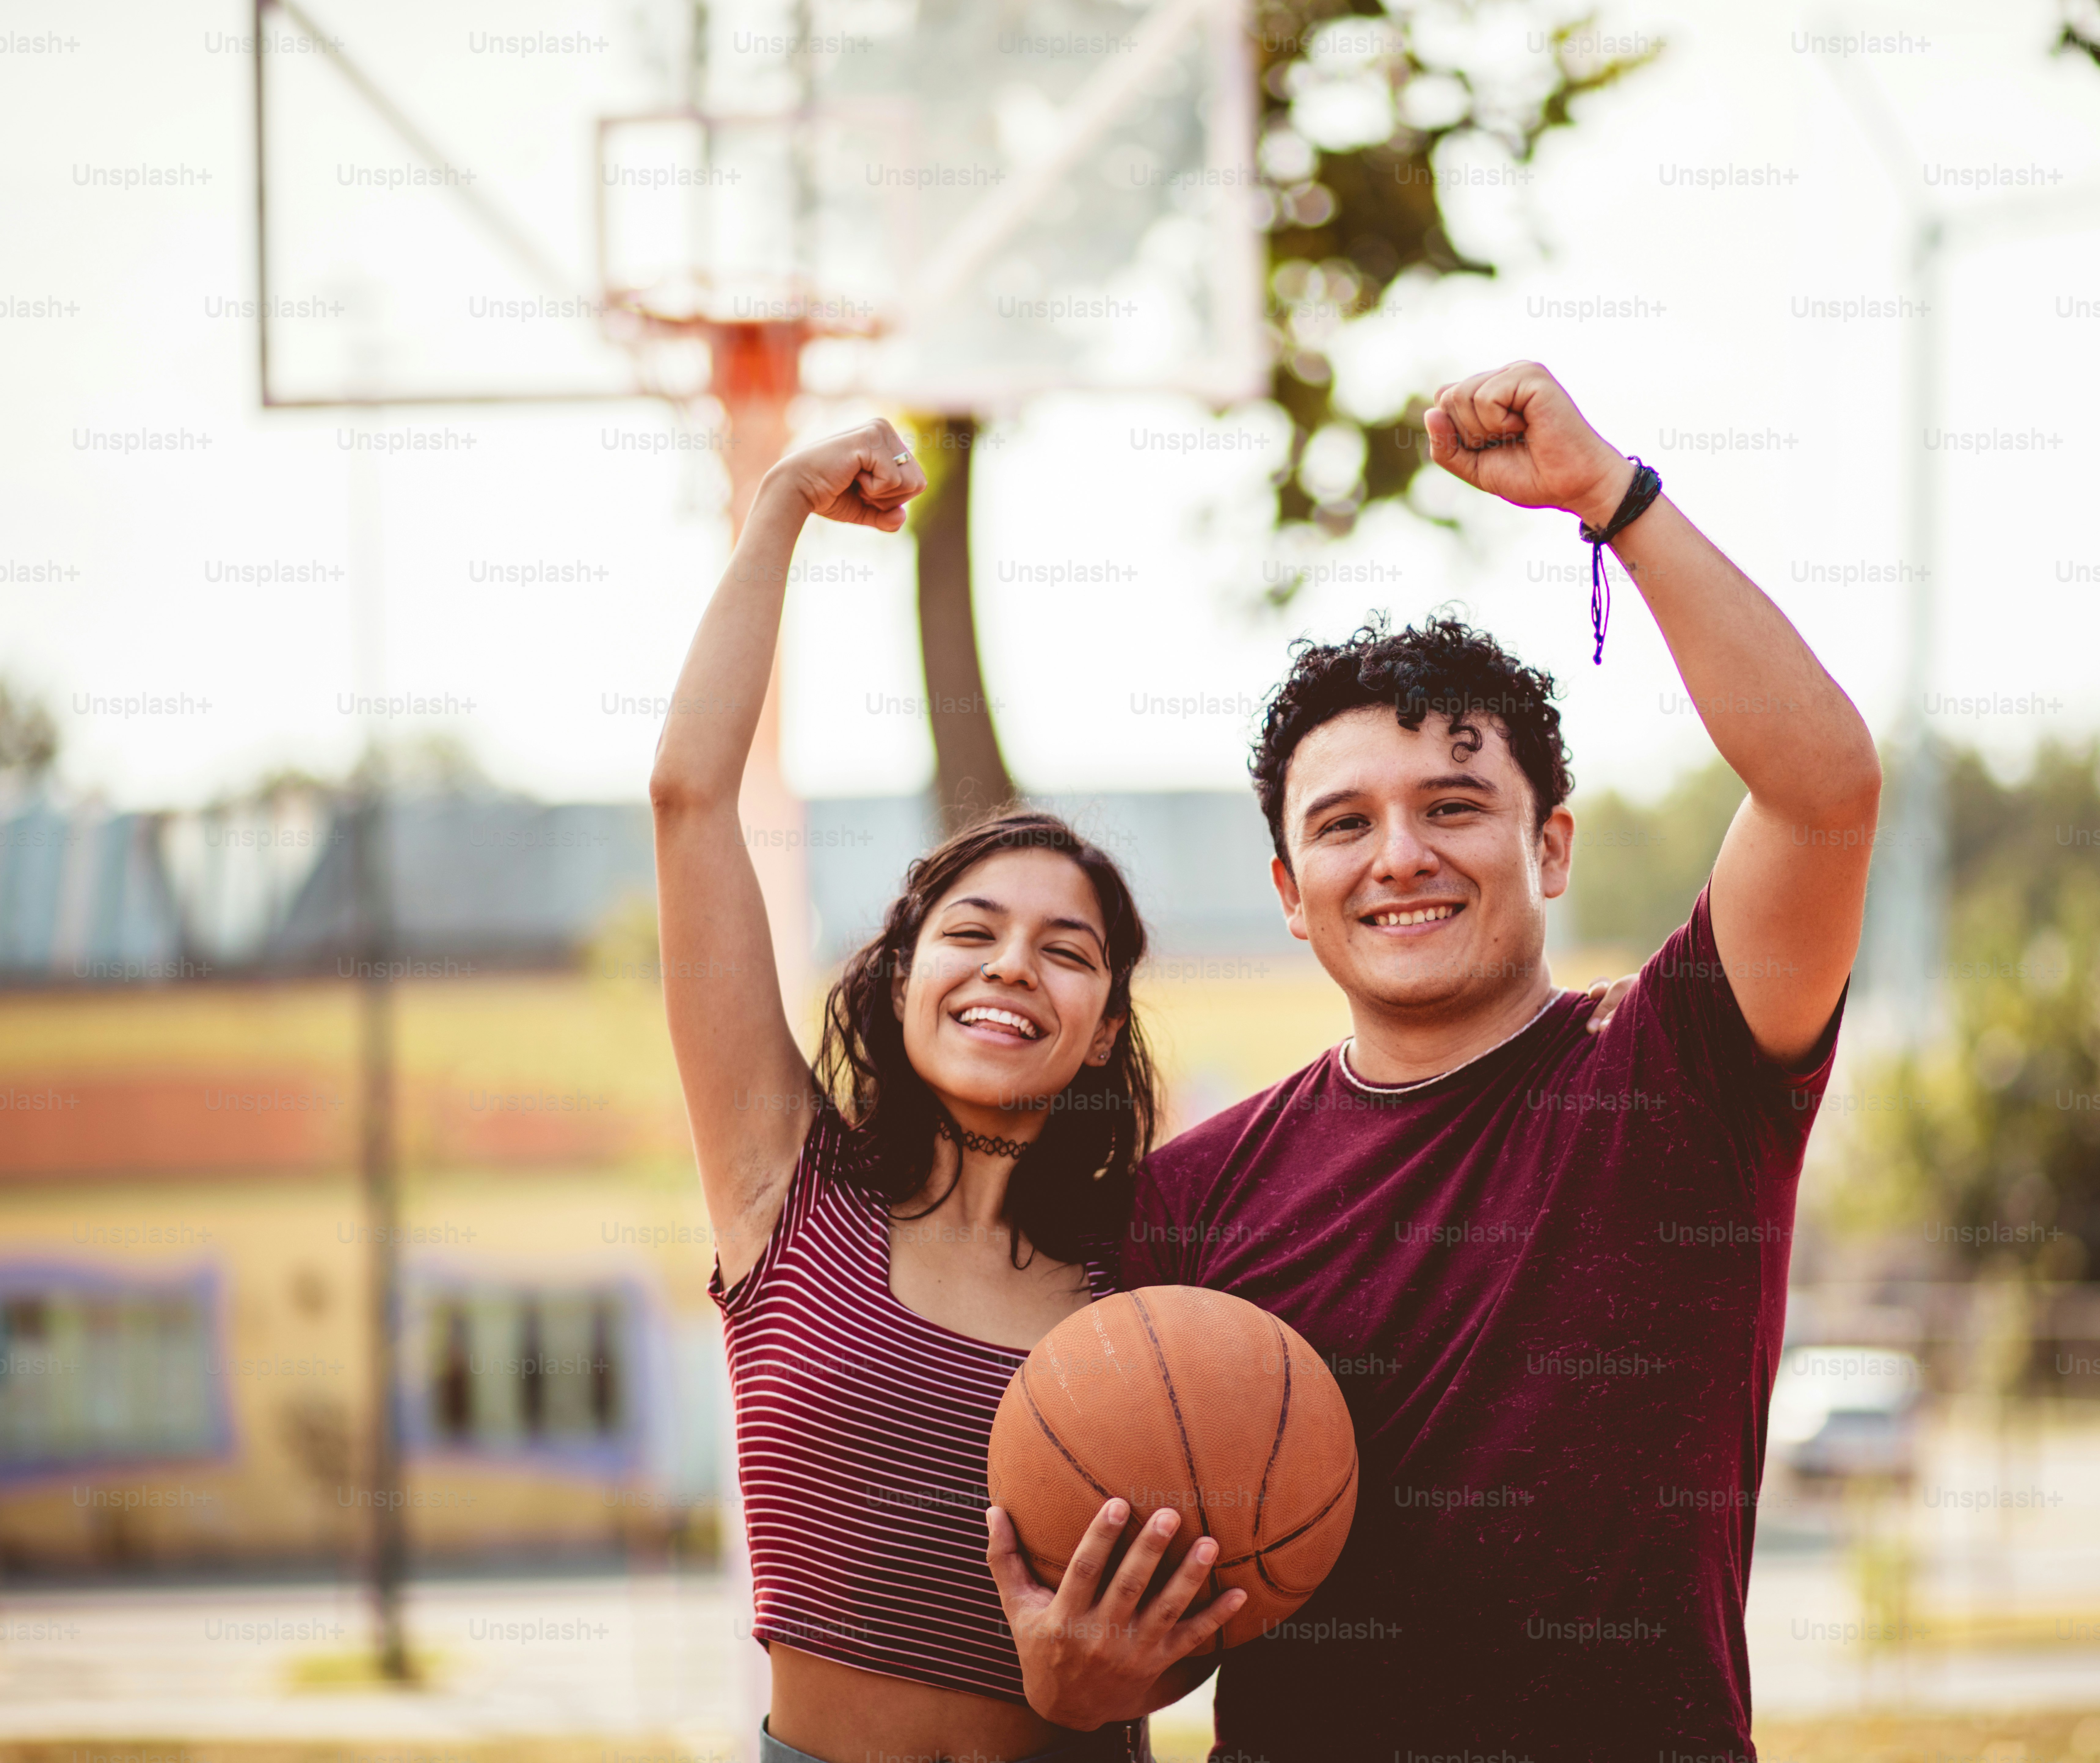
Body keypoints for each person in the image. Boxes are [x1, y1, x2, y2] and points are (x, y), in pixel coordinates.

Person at [649, 414, 1649, 1763]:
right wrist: (774, 509)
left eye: (1066, 952)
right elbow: (689, 801)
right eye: (971, 931)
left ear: (1104, 1027)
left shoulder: (1151, 1284)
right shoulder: (783, 1190)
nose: (1014, 967)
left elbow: (1249, 1571)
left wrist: (1129, 1671)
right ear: (896, 979)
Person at [984, 361, 1882, 1762]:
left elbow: (1823, 784)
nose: (1398, 855)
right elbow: (1159, 1599)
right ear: (1289, 890)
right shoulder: (1190, 1195)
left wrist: (1610, 497)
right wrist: (1079, 1675)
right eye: (1343, 825)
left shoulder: (1683, 1068)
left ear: (1550, 847)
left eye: (1453, 805)